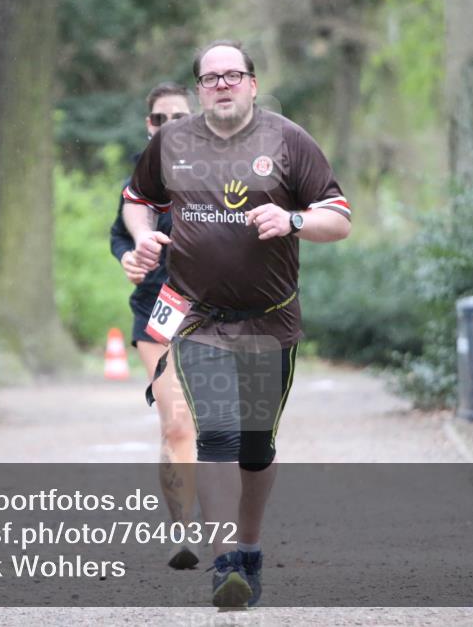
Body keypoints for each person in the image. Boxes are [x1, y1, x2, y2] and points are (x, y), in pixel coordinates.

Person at [123, 40, 351, 607]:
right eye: (210, 77)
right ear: (199, 89)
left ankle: (249, 549)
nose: (222, 84)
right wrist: (142, 237)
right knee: (217, 435)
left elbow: (339, 220)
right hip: (198, 318)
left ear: (252, 82)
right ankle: (226, 561)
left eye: (233, 75)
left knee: (256, 447)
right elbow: (135, 198)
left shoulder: (288, 140)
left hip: (270, 323)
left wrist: (294, 218)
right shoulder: (172, 143)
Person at [109, 82, 199, 570]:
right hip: (156, 312)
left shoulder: (219, 170)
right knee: (177, 422)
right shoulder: (141, 178)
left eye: (179, 117)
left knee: (225, 428)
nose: (169, 127)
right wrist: (132, 254)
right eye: (160, 119)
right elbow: (123, 228)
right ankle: (183, 531)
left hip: (216, 311)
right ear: (150, 126)